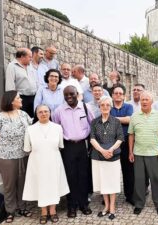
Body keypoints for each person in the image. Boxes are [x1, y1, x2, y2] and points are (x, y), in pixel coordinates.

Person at [23, 105, 69, 224]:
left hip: (54, 160)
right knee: (41, 185)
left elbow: (60, 145)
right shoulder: (30, 129)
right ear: (36, 114)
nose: (43, 114)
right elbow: (27, 148)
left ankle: (53, 211)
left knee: (53, 184)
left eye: (46, 111)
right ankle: (43, 212)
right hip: (37, 161)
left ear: (50, 113)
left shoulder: (58, 127)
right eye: (40, 112)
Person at [52, 85, 94, 218]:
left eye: (72, 94)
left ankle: (83, 204)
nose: (69, 97)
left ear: (77, 94)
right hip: (67, 147)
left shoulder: (86, 107)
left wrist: (91, 144)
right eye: (66, 95)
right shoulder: (59, 111)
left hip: (83, 145)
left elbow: (93, 125)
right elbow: (56, 128)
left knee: (83, 175)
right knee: (70, 176)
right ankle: (72, 206)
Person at [0, 91, 32, 223]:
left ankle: (22, 207)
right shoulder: (0, 117)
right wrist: (6, 147)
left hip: (24, 155)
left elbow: (31, 131)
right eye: (18, 98)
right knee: (9, 185)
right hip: (6, 157)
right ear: (11, 101)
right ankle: (10, 210)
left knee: (22, 183)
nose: (21, 99)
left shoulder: (24, 114)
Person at [128, 91, 158, 215]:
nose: (144, 102)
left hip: (154, 153)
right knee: (139, 180)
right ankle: (139, 203)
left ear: (151, 102)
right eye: (142, 100)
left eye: (146, 100)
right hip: (138, 153)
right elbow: (131, 135)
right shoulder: (134, 116)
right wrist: (130, 152)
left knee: (157, 180)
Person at [90, 96, 124, 220]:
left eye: (107, 105)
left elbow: (120, 138)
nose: (105, 107)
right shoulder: (94, 121)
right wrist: (102, 151)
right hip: (98, 156)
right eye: (102, 105)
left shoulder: (116, 121)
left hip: (112, 156)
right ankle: (106, 206)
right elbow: (92, 138)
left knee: (112, 181)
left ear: (111, 107)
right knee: (103, 182)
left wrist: (110, 150)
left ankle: (112, 207)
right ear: (99, 107)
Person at [110, 86, 134, 205]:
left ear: (124, 95)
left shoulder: (129, 107)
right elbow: (104, 121)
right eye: (116, 93)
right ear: (112, 95)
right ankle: (110, 196)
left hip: (126, 143)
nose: (118, 95)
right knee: (112, 171)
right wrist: (121, 119)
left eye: (120, 93)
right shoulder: (108, 107)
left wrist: (112, 119)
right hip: (111, 144)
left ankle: (130, 196)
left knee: (128, 170)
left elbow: (130, 120)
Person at [5, 48, 37, 118]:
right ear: (22, 57)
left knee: (32, 119)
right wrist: (13, 101)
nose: (31, 59)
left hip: (33, 98)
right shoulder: (12, 66)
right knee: (22, 119)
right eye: (30, 57)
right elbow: (10, 85)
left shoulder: (30, 66)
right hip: (22, 99)